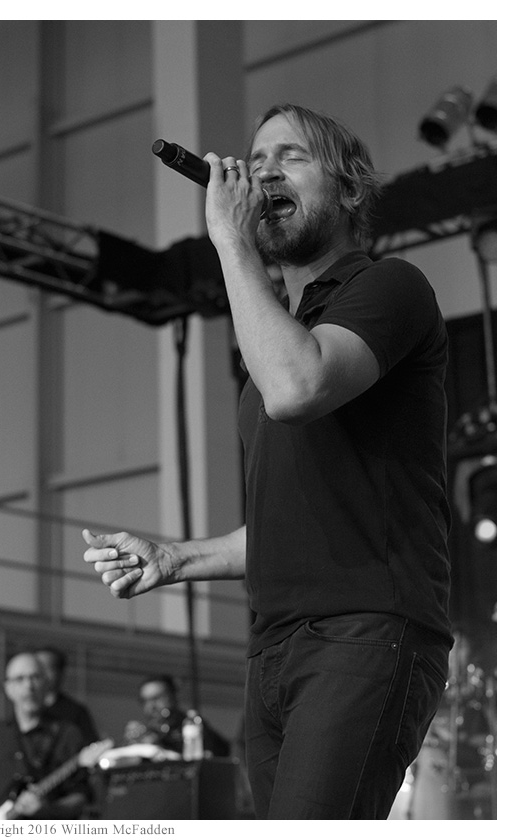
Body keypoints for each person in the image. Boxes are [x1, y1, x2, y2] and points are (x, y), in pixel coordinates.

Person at [82, 103, 453, 819]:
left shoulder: (390, 287)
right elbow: (293, 525)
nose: (263, 175)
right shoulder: (274, 344)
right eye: (256, 163)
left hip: (365, 632)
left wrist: (228, 240)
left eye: (291, 157)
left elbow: (297, 387)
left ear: (349, 189)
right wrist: (177, 558)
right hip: (273, 650)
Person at [0, 651, 89, 820]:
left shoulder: (68, 734)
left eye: (35, 677)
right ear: (8, 688)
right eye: (19, 679)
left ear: (47, 684)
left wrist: (48, 809)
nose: (29, 686)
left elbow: (81, 797)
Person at [123, 674, 230, 758]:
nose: (151, 706)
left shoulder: (192, 725)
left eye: (156, 698)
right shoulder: (146, 732)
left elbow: (221, 751)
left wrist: (160, 745)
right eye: (145, 701)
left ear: (173, 696)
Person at [34, 646, 100, 747]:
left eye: (47, 668)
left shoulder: (75, 712)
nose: (41, 674)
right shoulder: (24, 709)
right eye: (37, 668)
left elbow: (90, 746)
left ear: (60, 673)